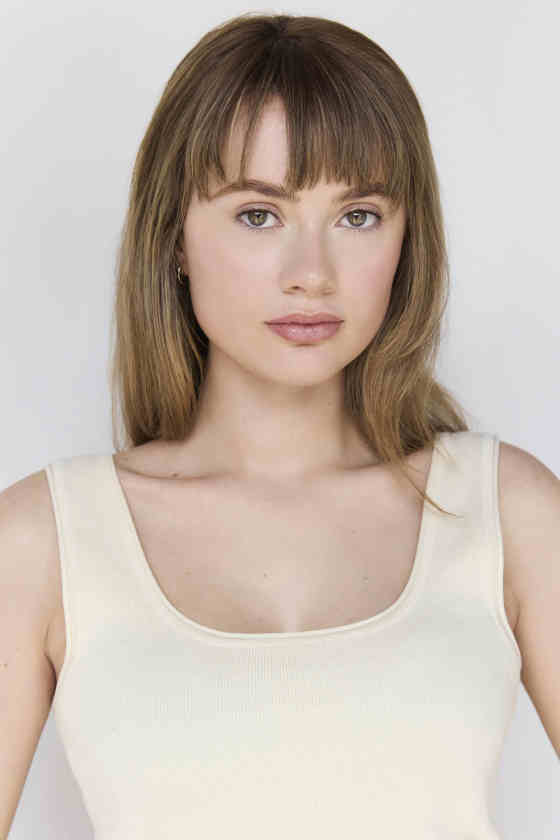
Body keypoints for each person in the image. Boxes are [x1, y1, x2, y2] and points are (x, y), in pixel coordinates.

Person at [1, 11, 558, 839]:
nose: (312, 274)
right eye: (259, 215)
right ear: (175, 238)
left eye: (358, 215)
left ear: (408, 238)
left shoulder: (509, 513)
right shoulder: (43, 540)